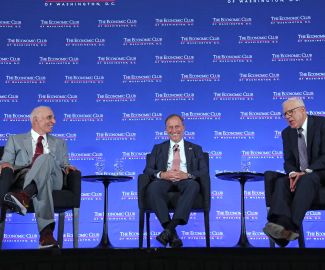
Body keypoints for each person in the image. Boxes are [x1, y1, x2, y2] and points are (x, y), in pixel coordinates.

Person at [0, 106, 78, 248]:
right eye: (50, 117)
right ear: (36, 119)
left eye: (53, 118)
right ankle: (46, 235)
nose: (54, 121)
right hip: (25, 179)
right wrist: (4, 164)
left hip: (55, 178)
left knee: (46, 158)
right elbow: (5, 162)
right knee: (44, 181)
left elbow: (65, 164)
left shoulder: (60, 143)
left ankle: (23, 196)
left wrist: (67, 167)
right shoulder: (15, 140)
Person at [263, 98, 325, 247]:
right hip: (300, 176)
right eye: (284, 114)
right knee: (281, 182)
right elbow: (288, 161)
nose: (287, 117)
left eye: (290, 112)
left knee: (307, 179)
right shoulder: (286, 133)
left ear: (303, 110)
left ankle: (289, 229)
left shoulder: (322, 124)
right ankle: (277, 224)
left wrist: (306, 172)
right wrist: (291, 174)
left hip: (320, 173)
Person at [144, 114, 209, 248]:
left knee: (193, 185)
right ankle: (172, 234)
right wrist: (162, 174)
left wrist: (187, 175)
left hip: (185, 179)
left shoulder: (196, 148)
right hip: (164, 180)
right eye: (170, 127)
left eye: (177, 126)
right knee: (153, 188)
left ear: (183, 128)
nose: (174, 130)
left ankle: (168, 230)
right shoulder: (158, 148)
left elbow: (204, 170)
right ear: (166, 130)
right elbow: (148, 170)